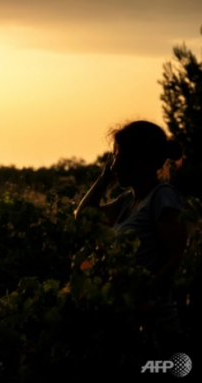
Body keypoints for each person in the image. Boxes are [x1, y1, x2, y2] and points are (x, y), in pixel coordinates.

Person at [74, 120, 188, 352]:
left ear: (141, 161)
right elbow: (84, 217)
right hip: (129, 322)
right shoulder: (128, 201)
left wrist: (145, 296)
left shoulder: (162, 197)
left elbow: (177, 256)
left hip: (156, 327)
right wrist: (105, 175)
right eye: (113, 157)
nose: (115, 164)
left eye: (120, 157)